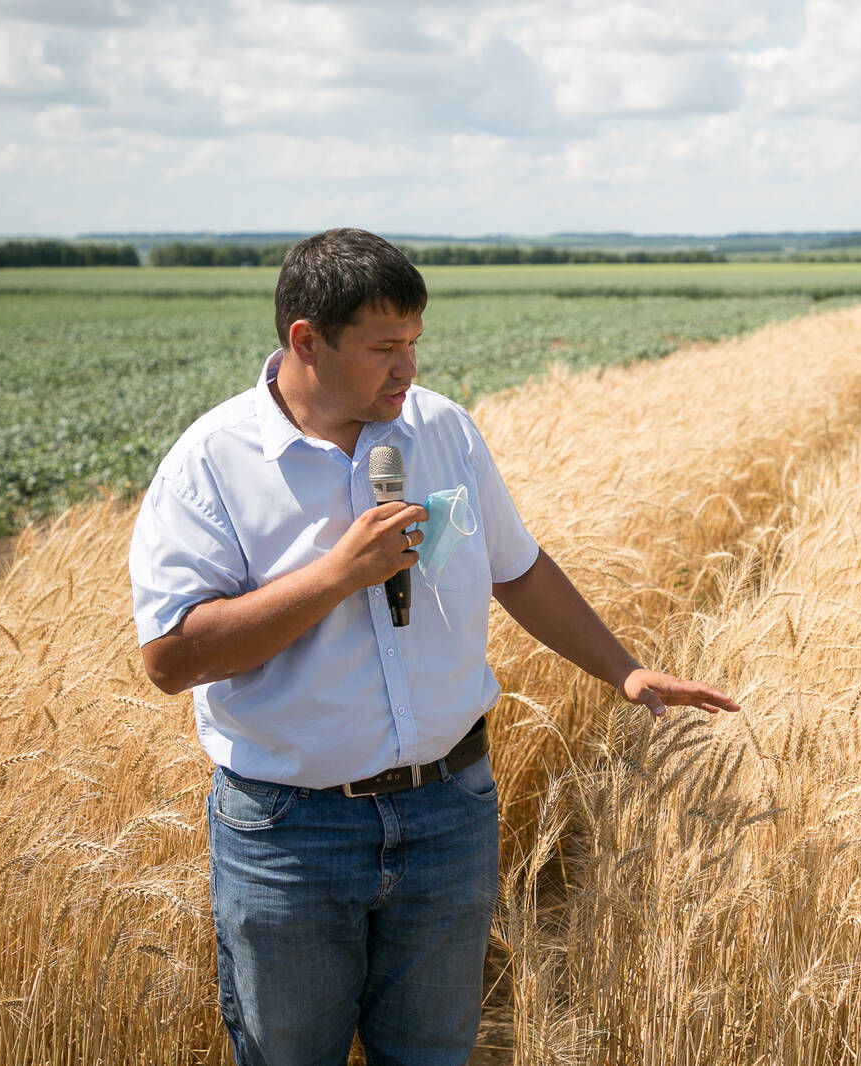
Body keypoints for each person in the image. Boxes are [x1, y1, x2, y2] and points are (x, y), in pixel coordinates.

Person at [128, 227, 739, 1065]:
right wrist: (338, 575)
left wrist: (623, 668)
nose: (408, 369)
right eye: (385, 348)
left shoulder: (442, 430)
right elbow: (171, 659)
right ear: (306, 340)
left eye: (414, 344)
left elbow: (516, 570)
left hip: (450, 813)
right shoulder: (211, 464)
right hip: (290, 837)